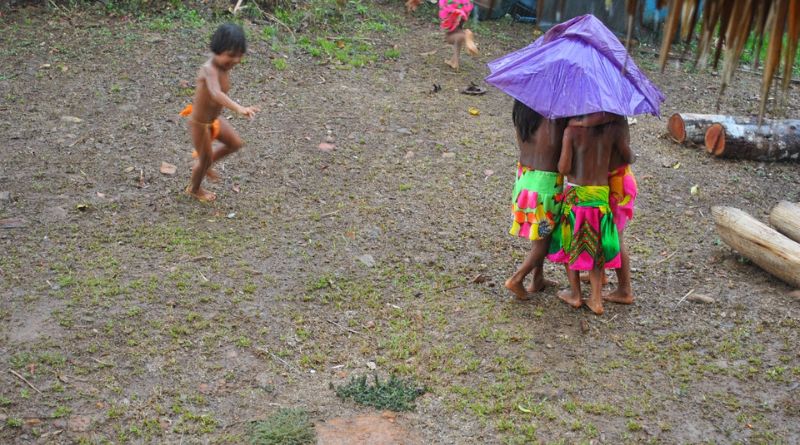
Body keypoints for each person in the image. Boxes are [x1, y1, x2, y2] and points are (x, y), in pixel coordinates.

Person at [548, 115, 630, 315]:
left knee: (570, 245)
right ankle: (596, 299)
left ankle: (575, 295)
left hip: (577, 196)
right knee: (596, 248)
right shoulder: (611, 132)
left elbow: (564, 168)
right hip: (601, 197)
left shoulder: (571, 132)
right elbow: (626, 159)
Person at [182, 23, 260, 202]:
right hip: (200, 124)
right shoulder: (209, 69)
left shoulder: (223, 67)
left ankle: (204, 161)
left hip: (215, 120)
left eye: (239, 56)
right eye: (231, 55)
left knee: (235, 143)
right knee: (204, 162)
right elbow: (216, 94)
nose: (235, 60)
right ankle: (194, 189)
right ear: (217, 50)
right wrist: (239, 108)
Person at [569, 113, 637, 305]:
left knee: (614, 235)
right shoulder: (611, 120)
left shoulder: (613, 124)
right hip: (607, 183)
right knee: (601, 231)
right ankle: (602, 276)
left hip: (617, 185)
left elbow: (627, 155)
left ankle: (624, 289)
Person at [504, 100, 567, 300]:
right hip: (546, 184)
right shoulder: (556, 118)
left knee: (539, 233)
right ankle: (517, 278)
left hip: (524, 178)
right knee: (545, 242)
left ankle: (537, 278)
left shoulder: (523, 113)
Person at [405, 0, 478, 70]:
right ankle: (454, 61)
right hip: (465, 3)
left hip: (451, 4)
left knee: (449, 37)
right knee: (457, 29)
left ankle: (465, 35)